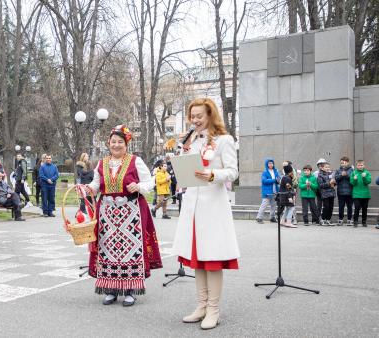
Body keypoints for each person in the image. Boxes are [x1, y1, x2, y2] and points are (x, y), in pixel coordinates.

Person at [170, 98, 239, 330]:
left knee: (212, 259)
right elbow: (182, 168)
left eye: (199, 116)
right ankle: (201, 306)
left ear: (211, 115)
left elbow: (232, 172)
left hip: (213, 208)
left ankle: (214, 310)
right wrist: (182, 149)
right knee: (197, 260)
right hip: (192, 206)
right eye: (193, 116)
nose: (195, 120)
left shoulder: (224, 140)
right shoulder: (192, 141)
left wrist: (212, 175)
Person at [86, 125, 162, 307]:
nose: (116, 145)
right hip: (107, 214)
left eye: (120, 142)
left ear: (126, 144)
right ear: (108, 143)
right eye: (113, 142)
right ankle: (111, 289)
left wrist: (139, 187)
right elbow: (96, 184)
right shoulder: (101, 163)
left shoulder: (135, 161)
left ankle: (130, 290)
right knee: (107, 248)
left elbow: (150, 180)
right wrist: (89, 188)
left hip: (131, 213)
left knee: (131, 250)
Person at [255, 158, 279, 224]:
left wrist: (278, 180)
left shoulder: (276, 171)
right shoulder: (265, 172)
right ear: (267, 164)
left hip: (274, 191)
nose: (271, 164)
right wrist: (274, 180)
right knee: (264, 205)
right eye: (269, 163)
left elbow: (278, 179)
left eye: (272, 163)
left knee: (273, 205)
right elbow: (264, 181)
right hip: (267, 192)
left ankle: (272, 217)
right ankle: (259, 218)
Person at [350, 160, 372, 227]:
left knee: (364, 209)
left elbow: (368, 182)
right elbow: (352, 183)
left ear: (364, 165)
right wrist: (354, 179)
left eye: (361, 165)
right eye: (359, 165)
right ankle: (355, 221)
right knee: (357, 207)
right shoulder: (354, 173)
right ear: (356, 166)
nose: (360, 166)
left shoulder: (367, 173)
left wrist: (364, 177)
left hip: (365, 194)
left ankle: (364, 221)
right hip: (356, 194)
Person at [334, 157, 354, 226]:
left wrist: (347, 175)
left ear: (348, 163)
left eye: (345, 162)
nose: (343, 164)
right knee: (341, 206)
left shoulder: (351, 170)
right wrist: (341, 175)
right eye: (342, 163)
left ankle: (349, 219)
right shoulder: (338, 170)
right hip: (341, 192)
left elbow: (353, 179)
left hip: (350, 192)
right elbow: (336, 179)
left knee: (350, 206)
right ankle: (340, 219)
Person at [278, 163, 297, 228]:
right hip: (286, 196)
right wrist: (290, 197)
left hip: (283, 196)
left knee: (287, 209)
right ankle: (288, 222)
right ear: (290, 171)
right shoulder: (287, 178)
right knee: (291, 207)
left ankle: (282, 221)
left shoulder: (284, 177)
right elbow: (288, 188)